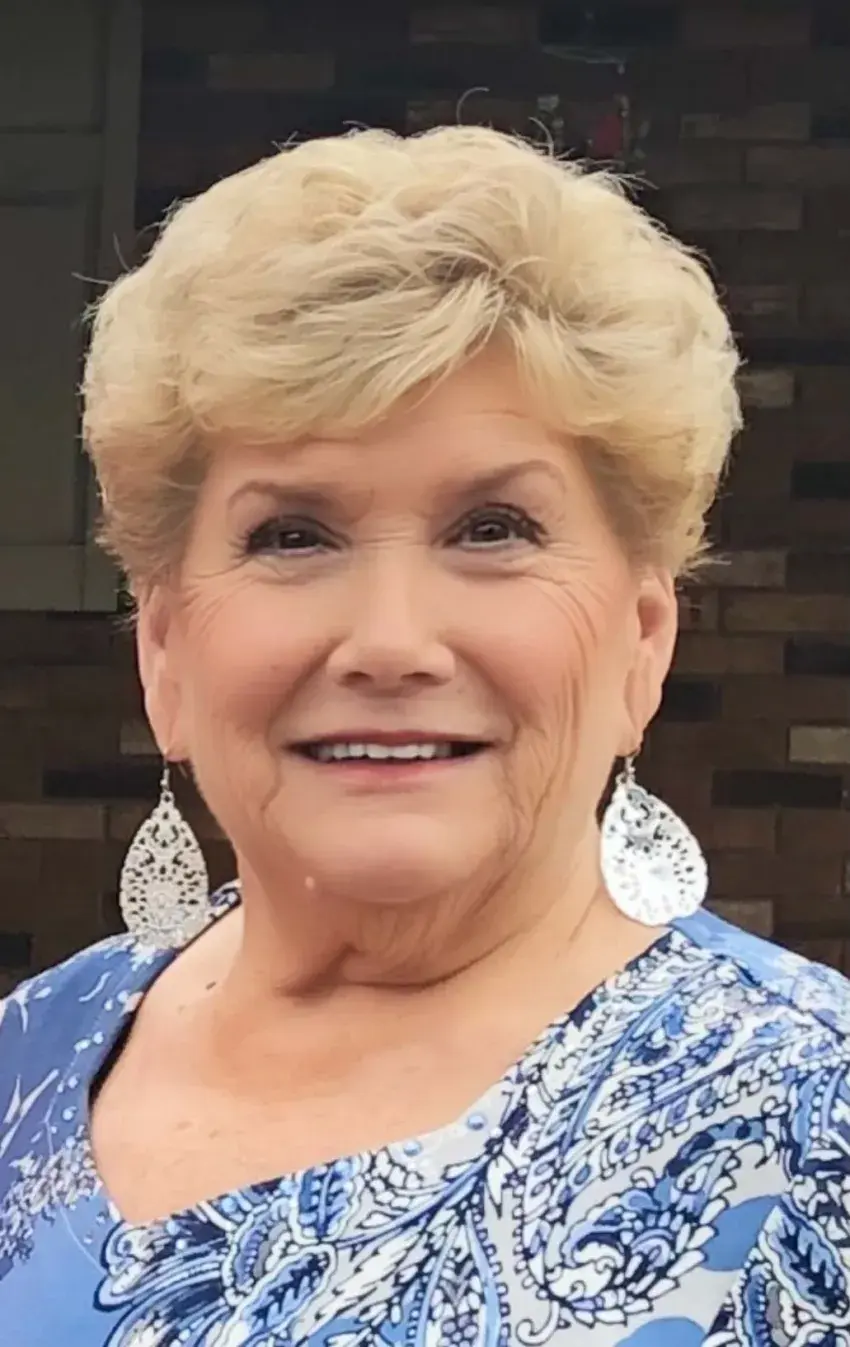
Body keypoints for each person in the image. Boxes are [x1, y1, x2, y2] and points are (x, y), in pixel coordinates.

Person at [0, 125, 847, 1347]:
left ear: (641, 640)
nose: (390, 643)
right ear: (165, 651)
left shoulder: (811, 1124)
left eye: (492, 529)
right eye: (292, 536)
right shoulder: (30, 1055)